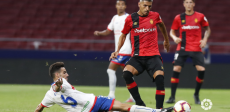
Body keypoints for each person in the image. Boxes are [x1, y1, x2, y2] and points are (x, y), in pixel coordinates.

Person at [34, 62, 173, 112]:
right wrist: (57, 84)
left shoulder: (48, 95)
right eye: (64, 72)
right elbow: (57, 88)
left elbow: (39, 108)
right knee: (124, 107)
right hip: (93, 102)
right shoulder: (61, 82)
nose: (67, 74)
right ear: (57, 75)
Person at [110, 0, 170, 109]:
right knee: (126, 74)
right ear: (139, 4)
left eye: (149, 6)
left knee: (160, 78)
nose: (147, 9)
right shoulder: (130, 19)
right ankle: (140, 104)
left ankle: (159, 110)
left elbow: (162, 25)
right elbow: (123, 35)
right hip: (137, 56)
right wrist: (117, 50)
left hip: (153, 56)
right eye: (145, 6)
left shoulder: (155, 16)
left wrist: (166, 41)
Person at [165, 0, 211, 104]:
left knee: (201, 70)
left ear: (194, 4)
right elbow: (172, 31)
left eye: (191, 2)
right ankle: (172, 97)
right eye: (187, 2)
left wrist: (204, 40)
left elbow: (207, 29)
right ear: (183, 4)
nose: (189, 4)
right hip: (182, 47)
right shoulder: (178, 18)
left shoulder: (200, 16)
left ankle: (196, 95)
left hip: (196, 48)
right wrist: (175, 37)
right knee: (176, 69)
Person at [94, 0, 134, 102]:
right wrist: (100, 33)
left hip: (125, 50)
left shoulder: (128, 17)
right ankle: (132, 96)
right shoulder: (115, 18)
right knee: (127, 74)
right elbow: (108, 31)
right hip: (121, 50)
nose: (120, 6)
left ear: (125, 6)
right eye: (118, 4)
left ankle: (111, 95)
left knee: (110, 69)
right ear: (116, 6)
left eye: (122, 4)